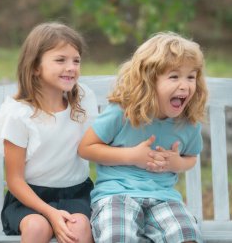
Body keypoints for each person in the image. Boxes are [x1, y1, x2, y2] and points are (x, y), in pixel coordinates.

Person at [78, 31, 208, 243]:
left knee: (186, 236)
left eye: (191, 77)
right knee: (118, 235)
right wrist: (132, 156)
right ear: (148, 81)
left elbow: (191, 158)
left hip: (164, 198)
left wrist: (176, 163)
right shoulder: (122, 113)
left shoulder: (188, 123)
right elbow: (86, 148)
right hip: (117, 195)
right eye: (174, 76)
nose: (185, 85)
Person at [0, 22, 97, 243]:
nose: (71, 67)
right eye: (60, 60)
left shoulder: (83, 101)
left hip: (76, 194)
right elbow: (15, 179)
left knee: (79, 228)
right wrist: (50, 213)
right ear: (36, 66)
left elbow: (96, 144)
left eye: (76, 60)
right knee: (37, 227)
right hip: (30, 198)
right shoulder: (19, 115)